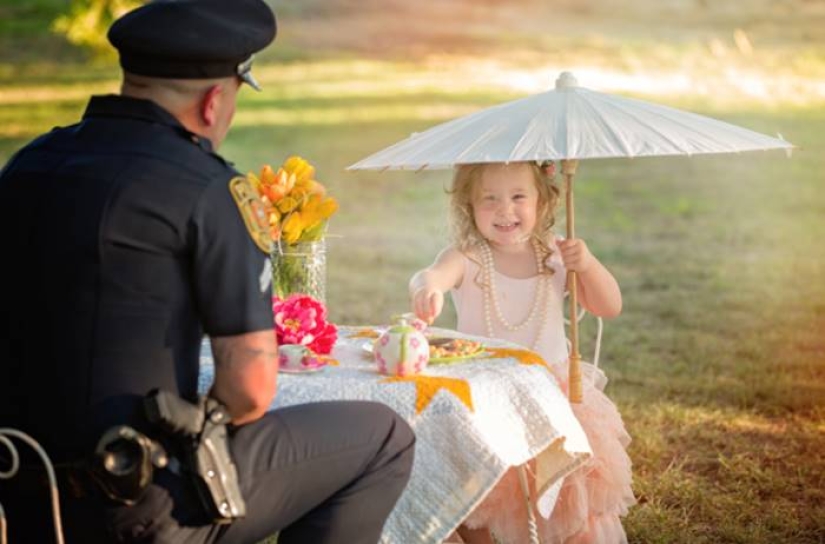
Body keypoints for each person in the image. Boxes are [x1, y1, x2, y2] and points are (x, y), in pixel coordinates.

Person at [0, 1, 414, 543]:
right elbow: (250, 391)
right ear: (214, 101)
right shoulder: (207, 190)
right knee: (384, 438)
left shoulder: (27, 165)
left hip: (28, 499)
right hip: (141, 507)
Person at [409, 161, 635, 543]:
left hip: (550, 395)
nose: (505, 210)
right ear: (469, 206)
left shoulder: (556, 255)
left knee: (566, 490)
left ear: (542, 202)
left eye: (518, 197)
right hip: (485, 393)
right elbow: (431, 274)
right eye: (490, 199)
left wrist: (588, 265)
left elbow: (609, 306)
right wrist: (427, 288)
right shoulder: (467, 257)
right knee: (473, 490)